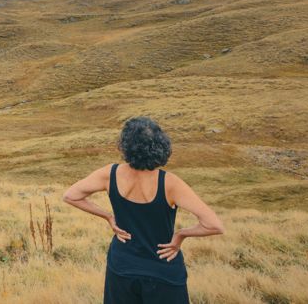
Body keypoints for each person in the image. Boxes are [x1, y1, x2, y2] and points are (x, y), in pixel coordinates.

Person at [62, 116, 225, 304]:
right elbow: (214, 225)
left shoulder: (110, 173)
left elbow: (70, 196)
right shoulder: (170, 183)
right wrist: (180, 235)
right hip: (163, 271)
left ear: (125, 145)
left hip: (121, 267)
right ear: (160, 144)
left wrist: (108, 217)